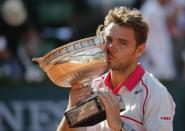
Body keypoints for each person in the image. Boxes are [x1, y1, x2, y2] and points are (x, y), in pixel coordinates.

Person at [56, 6, 175, 131]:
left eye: (123, 43)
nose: (111, 47)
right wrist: (71, 109)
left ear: (140, 50)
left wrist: (119, 126)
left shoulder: (157, 94)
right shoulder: (92, 86)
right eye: (108, 40)